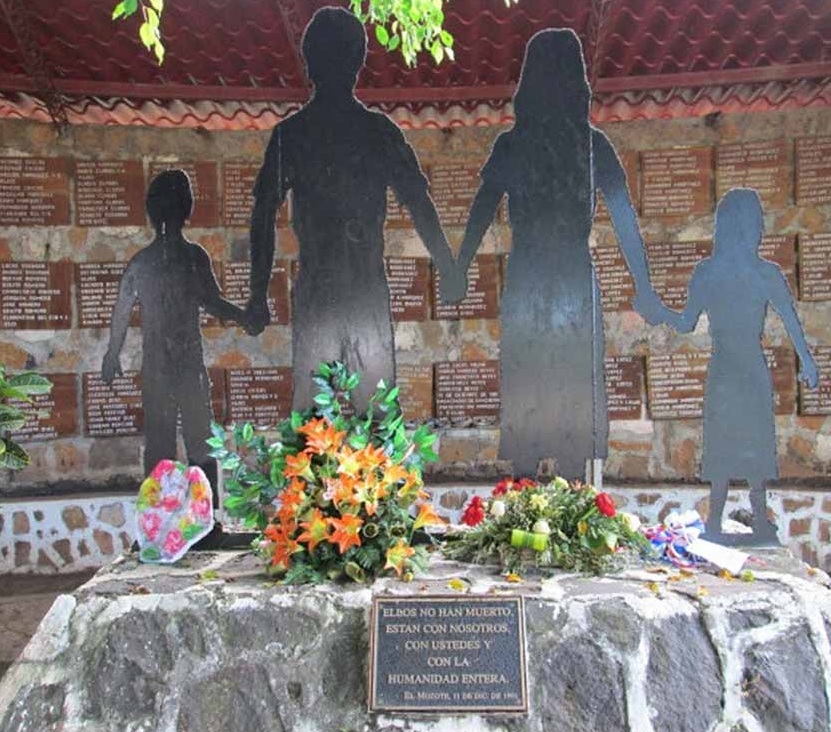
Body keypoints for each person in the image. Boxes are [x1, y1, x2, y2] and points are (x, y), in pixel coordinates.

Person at [454, 28, 665, 480]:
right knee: (565, 393)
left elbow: (480, 214)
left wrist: (458, 268)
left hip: (534, 279)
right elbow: (625, 219)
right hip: (567, 280)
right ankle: (566, 507)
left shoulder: (518, 144)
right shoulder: (589, 145)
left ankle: (529, 505)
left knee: (535, 389)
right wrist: (643, 286)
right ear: (577, 80)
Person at [245, 7, 458, 412]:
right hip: (337, 289)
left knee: (345, 417)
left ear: (309, 61)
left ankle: (335, 476)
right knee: (332, 419)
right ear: (360, 61)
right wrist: (447, 266)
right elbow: (420, 205)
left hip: (349, 289)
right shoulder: (350, 133)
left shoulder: (302, 135)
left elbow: (262, 218)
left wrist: (258, 295)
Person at [663, 188, 818, 545]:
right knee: (747, 442)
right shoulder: (764, 273)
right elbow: (791, 322)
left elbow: (685, 323)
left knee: (738, 441)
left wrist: (658, 312)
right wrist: (806, 361)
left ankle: (723, 522)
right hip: (745, 367)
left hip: (730, 367)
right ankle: (728, 522)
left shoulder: (711, 272)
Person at [102, 169, 248, 497]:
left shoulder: (145, 261)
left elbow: (122, 311)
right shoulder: (190, 257)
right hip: (180, 366)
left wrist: (113, 355)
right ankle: (204, 516)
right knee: (194, 441)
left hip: (166, 367)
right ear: (187, 209)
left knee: (166, 442)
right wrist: (244, 317)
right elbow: (213, 303)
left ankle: (176, 515)